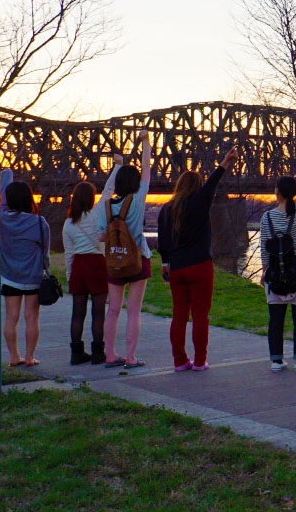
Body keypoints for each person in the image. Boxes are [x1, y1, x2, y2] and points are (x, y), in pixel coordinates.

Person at [158, 146, 239, 372]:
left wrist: (166, 264)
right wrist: (225, 160)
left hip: (176, 269)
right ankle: (200, 361)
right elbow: (213, 181)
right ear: (196, 186)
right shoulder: (200, 201)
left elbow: (162, 242)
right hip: (200, 267)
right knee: (200, 315)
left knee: (179, 316)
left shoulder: (166, 209)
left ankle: (179, 361)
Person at [261, 141, 296, 372]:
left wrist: (265, 272)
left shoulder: (267, 217)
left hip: (275, 270)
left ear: (277, 191)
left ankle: (276, 360)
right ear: (293, 192)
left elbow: (265, 247)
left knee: (276, 320)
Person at [98, 130, 153, 369]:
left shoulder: (106, 205)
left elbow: (101, 236)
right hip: (139, 258)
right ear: (136, 182)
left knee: (113, 309)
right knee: (134, 311)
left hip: (114, 261)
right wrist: (146, 141)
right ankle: (130, 357)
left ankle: (110, 354)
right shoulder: (139, 198)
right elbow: (147, 167)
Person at [0, 168, 51, 367]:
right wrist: (47, 270)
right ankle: (29, 357)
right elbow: (45, 251)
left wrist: (7, 173)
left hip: (10, 275)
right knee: (31, 317)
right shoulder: (39, 222)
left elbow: (2, 197)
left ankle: (13, 356)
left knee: (11, 317)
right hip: (33, 276)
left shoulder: (3, 217)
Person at [62, 181, 108, 365]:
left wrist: (69, 274)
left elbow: (68, 253)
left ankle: (76, 353)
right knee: (98, 313)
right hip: (96, 263)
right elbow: (109, 191)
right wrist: (118, 166)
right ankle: (98, 353)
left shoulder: (68, 223)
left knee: (77, 313)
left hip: (79, 266)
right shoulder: (96, 215)